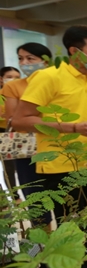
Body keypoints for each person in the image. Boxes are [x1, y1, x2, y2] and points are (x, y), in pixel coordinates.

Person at [13, 26, 87, 222]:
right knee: (69, 225)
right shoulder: (49, 76)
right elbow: (20, 120)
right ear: (74, 51)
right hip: (60, 164)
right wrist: (73, 128)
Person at [0, 43, 52, 188]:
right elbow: (13, 118)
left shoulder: (58, 83)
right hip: (27, 146)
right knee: (33, 191)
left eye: (30, 58)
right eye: (20, 58)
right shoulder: (13, 86)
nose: (24, 63)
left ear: (45, 61)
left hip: (56, 142)